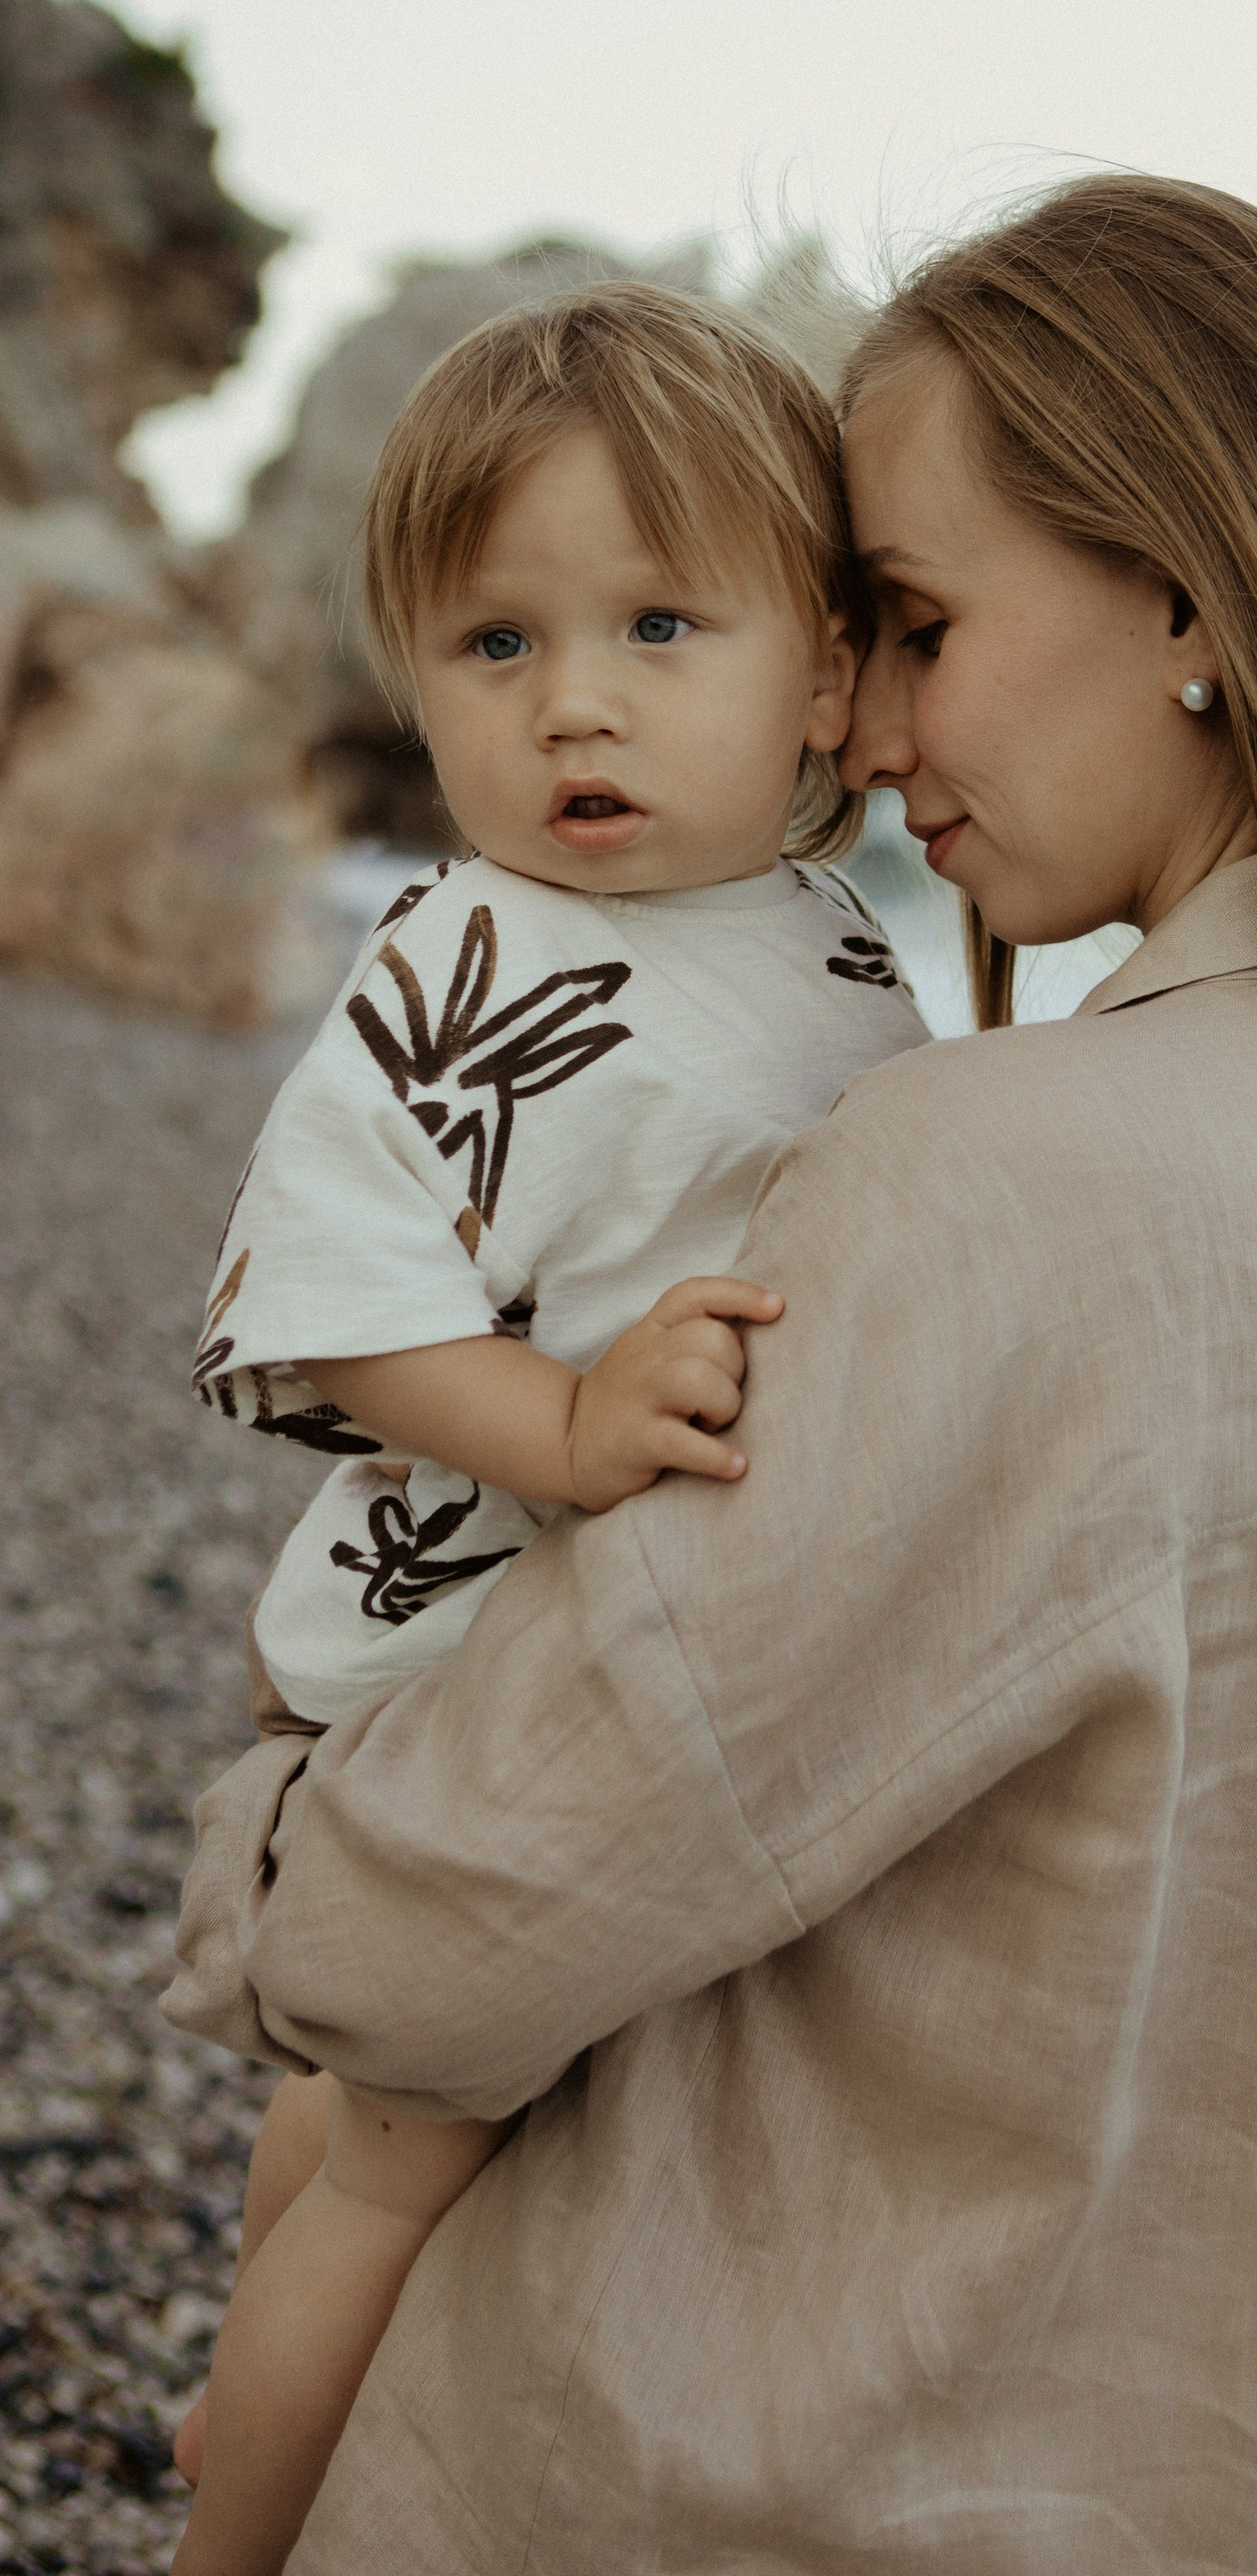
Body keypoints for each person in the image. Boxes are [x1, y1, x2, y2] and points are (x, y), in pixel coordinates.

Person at [165, 175, 1257, 2573]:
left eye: (913, 619)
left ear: (1187, 592)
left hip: (792, 2471)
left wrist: (274, 1856)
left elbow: (482, 1899)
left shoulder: (999, 1174)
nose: (861, 735)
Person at [165, 282, 927, 2575]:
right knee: (398, 2189)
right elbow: (335, 1300)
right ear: (416, 685)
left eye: (657, 627)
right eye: (496, 647)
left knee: (346, 2135)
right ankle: (237, 2532)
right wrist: (567, 1415)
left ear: (823, 676)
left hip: (611, 1642)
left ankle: (253, 2351)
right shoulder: (452, 958)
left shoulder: (838, 950)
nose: (575, 700)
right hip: (441, 1668)